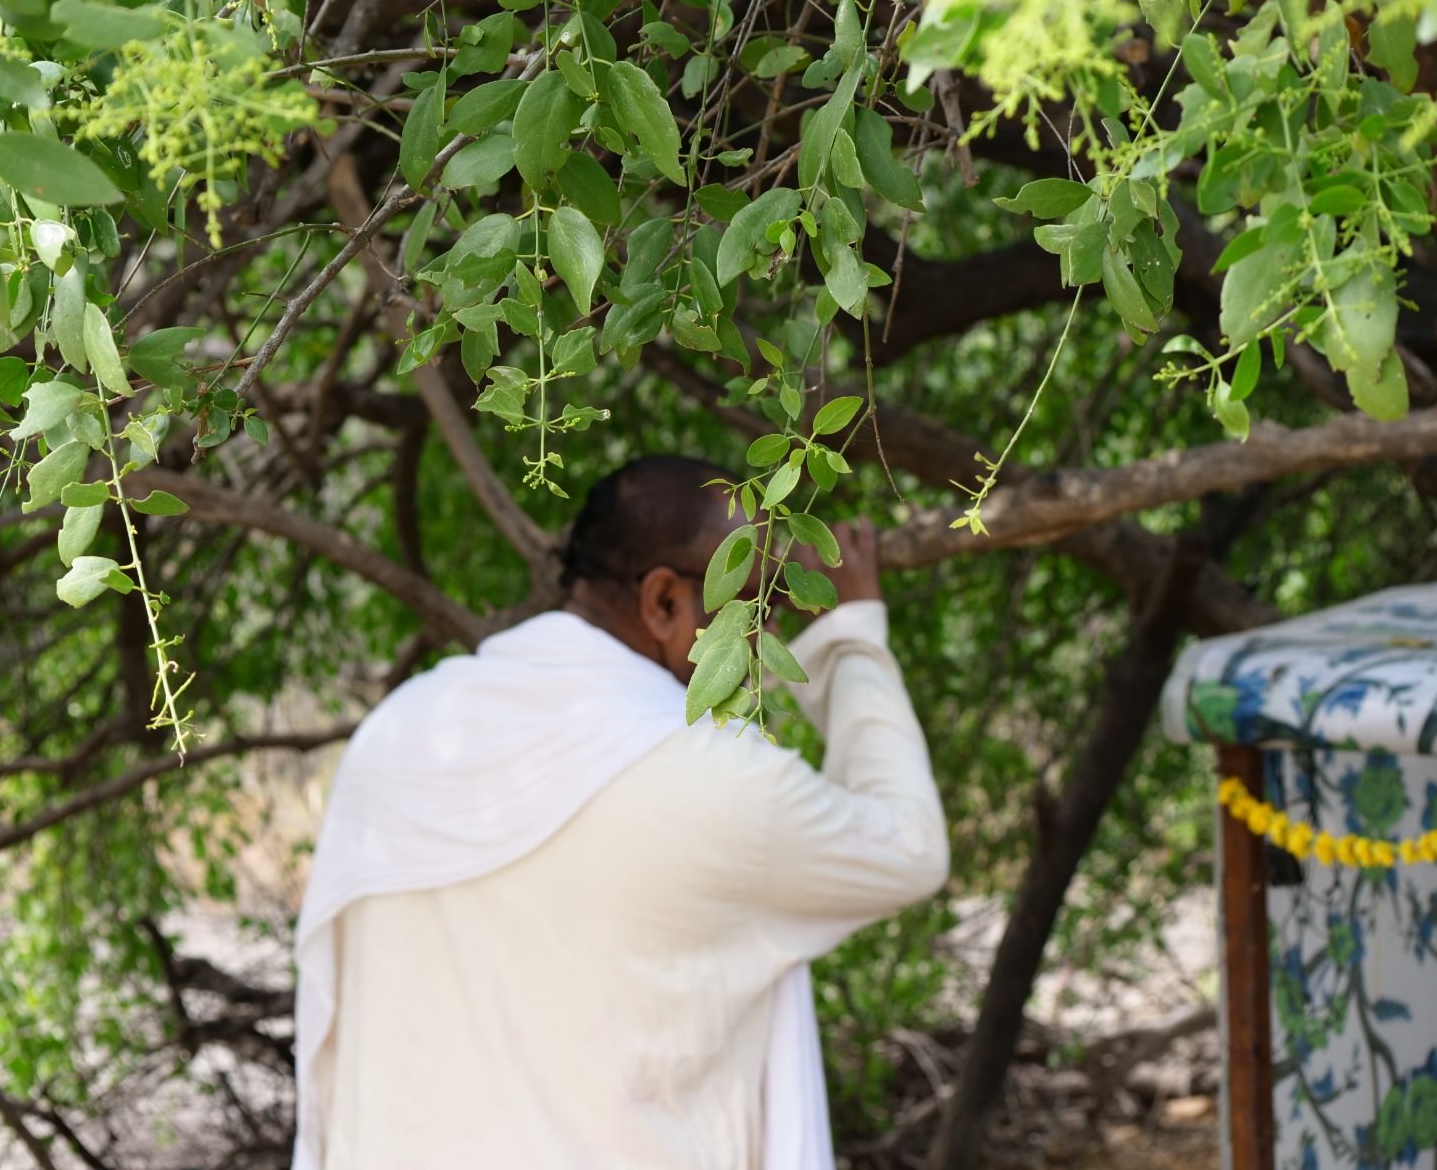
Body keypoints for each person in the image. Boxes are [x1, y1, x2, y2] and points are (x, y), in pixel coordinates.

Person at [291, 455, 949, 1170]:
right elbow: (909, 846)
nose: (764, 643)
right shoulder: (716, 779)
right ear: (665, 602)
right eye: (756, 606)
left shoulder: (394, 735)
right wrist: (849, 634)